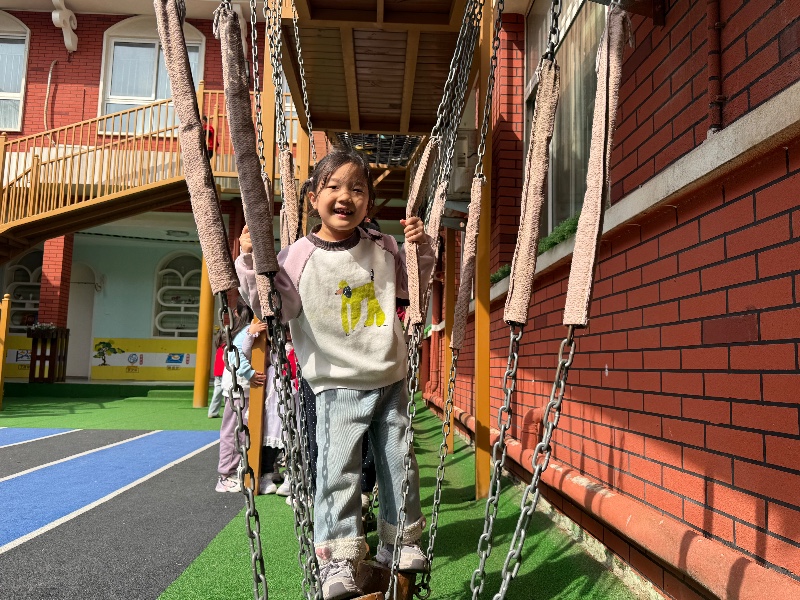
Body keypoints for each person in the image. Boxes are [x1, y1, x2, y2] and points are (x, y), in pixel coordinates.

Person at [236, 148, 435, 600]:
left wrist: (420, 248)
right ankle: (339, 559)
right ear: (312, 198)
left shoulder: (383, 247)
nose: (345, 197)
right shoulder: (297, 257)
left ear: (369, 203)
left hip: (389, 374)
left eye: (357, 190)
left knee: (400, 462)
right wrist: (248, 260)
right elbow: (275, 306)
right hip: (336, 381)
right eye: (334, 187)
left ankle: (400, 541)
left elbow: (412, 286)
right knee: (338, 470)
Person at [215, 299, 266, 493]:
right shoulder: (245, 331)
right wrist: (250, 373)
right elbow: (234, 355)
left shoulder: (245, 330)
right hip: (237, 391)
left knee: (243, 433)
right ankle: (224, 476)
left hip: (245, 391)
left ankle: (236, 471)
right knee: (233, 432)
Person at [208, 329, 225, 418]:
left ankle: (213, 411)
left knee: (217, 392)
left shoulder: (219, 346)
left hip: (218, 372)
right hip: (224, 372)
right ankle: (229, 412)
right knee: (228, 392)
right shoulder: (227, 347)